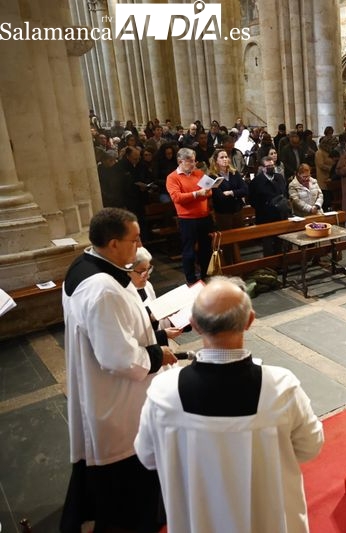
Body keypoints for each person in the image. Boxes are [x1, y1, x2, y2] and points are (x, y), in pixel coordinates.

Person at [135, 277, 324, 533]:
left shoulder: (163, 392)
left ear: (195, 325)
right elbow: (310, 446)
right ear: (249, 321)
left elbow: (147, 456)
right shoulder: (281, 387)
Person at [60, 208, 177, 533]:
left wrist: (157, 334)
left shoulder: (87, 265)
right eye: (134, 239)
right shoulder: (102, 289)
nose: (139, 243)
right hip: (117, 398)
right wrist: (158, 354)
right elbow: (118, 358)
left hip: (101, 390)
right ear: (113, 243)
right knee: (127, 483)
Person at [166, 147, 214, 284]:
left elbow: (209, 192)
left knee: (206, 249)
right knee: (189, 251)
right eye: (191, 161)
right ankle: (191, 280)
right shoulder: (172, 177)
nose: (194, 164)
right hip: (187, 219)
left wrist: (201, 194)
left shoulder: (198, 173)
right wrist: (196, 194)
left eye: (194, 161)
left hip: (204, 216)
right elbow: (177, 198)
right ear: (181, 161)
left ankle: (206, 276)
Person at [127, 247, 183, 347]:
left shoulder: (147, 285)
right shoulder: (122, 295)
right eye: (142, 271)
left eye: (148, 270)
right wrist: (162, 335)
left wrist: (176, 320)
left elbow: (157, 318)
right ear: (128, 270)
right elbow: (131, 337)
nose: (147, 276)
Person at [249, 157, 289, 254]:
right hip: (265, 216)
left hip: (280, 215)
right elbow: (252, 200)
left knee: (280, 241)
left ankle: (281, 263)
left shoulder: (279, 177)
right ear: (262, 168)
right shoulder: (256, 182)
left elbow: (285, 193)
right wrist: (266, 207)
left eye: (272, 165)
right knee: (267, 243)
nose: (271, 168)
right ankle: (269, 265)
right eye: (268, 166)